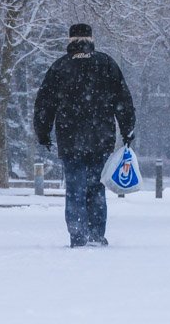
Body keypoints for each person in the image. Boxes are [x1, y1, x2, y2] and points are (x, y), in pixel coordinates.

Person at [34, 24, 135, 248]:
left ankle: (78, 235)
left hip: (70, 140)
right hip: (101, 138)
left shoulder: (60, 67)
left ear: (70, 40)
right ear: (91, 39)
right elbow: (123, 100)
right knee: (96, 187)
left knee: (75, 189)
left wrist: (43, 133)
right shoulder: (106, 64)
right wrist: (127, 129)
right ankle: (97, 234)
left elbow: (44, 104)